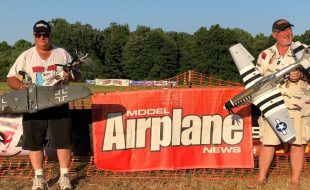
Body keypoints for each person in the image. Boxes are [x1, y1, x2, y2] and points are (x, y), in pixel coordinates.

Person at [7, 20, 81, 190]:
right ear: (34, 36)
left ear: (50, 35)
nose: (42, 37)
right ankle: (39, 178)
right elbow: (10, 78)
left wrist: (71, 75)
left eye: (45, 34)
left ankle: (64, 177)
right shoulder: (26, 56)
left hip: (59, 102)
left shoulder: (62, 53)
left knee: (63, 141)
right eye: (38, 34)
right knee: (34, 142)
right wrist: (21, 86)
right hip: (34, 104)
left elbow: (77, 75)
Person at [248, 19, 308, 189]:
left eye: (289, 29)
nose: (287, 33)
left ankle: (295, 180)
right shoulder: (265, 54)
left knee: (297, 143)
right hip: (271, 104)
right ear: (275, 34)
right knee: (268, 141)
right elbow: (256, 81)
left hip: (297, 103)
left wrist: (302, 76)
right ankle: (261, 178)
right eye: (282, 30)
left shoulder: (303, 50)